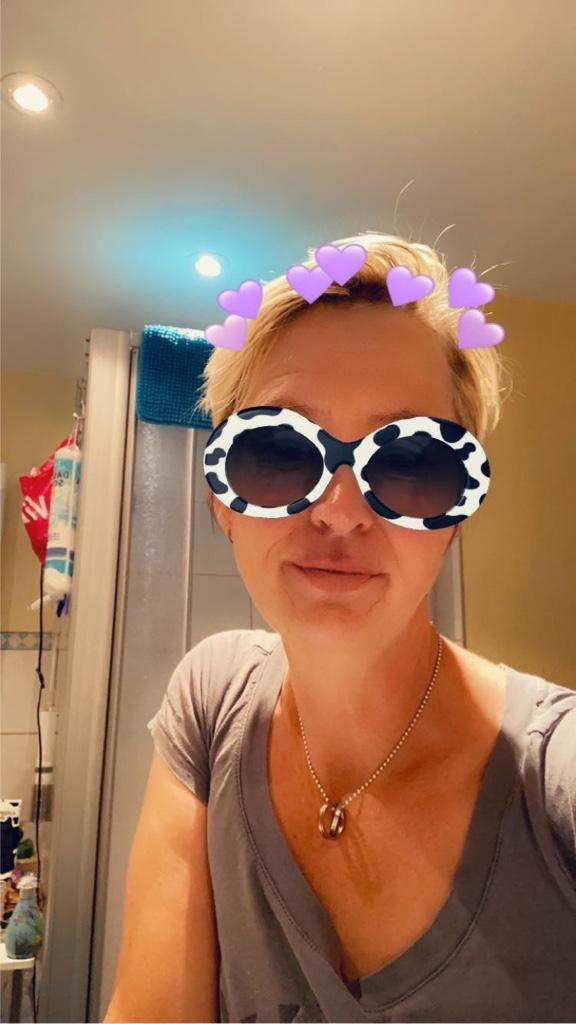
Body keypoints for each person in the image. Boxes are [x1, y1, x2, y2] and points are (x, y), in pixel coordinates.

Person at [105, 232, 576, 1024]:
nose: (339, 512)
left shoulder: (554, 775)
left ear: (456, 515)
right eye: (277, 450)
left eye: (412, 462)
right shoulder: (212, 699)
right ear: (221, 500)